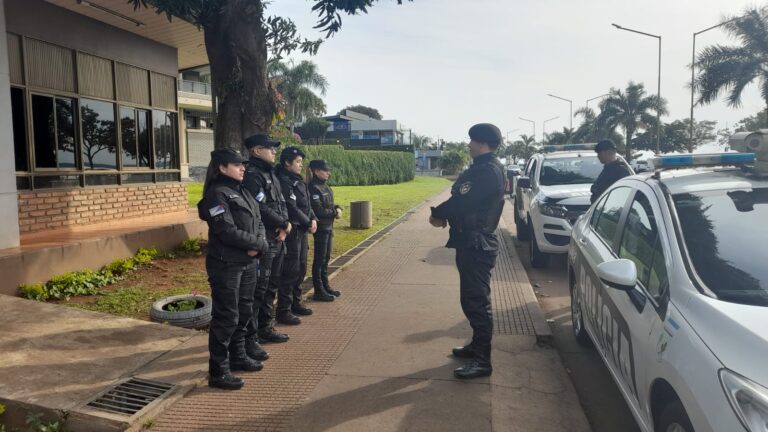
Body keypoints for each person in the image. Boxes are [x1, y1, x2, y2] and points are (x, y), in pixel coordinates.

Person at [429, 123, 505, 380]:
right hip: (470, 242)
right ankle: (476, 346)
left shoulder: (487, 171)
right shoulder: (484, 168)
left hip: (477, 244)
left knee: (476, 301)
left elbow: (463, 201)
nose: (469, 145)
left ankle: (483, 361)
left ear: (482, 143)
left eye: (472, 141)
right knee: (471, 298)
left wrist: (438, 213)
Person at [197, 148, 269, 390]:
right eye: (237, 164)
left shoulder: (243, 191)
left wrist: (258, 244)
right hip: (226, 264)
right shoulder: (216, 195)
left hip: (248, 262)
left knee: (245, 310)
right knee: (226, 317)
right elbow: (225, 230)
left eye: (243, 164)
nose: (242, 168)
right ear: (222, 167)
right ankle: (219, 371)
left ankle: (238, 356)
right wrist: (258, 244)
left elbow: (258, 220)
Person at [242, 133, 292, 345]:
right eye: (269, 147)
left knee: (272, 286)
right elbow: (259, 208)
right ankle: (252, 336)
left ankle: (265, 327)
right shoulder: (253, 175)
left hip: (279, 237)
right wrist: (282, 224)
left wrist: (285, 226)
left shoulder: (270, 174)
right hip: (266, 239)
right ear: (255, 150)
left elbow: (280, 204)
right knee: (259, 290)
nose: (274, 151)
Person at [275, 147, 318, 324]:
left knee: (301, 268)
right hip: (293, 231)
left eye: (301, 162)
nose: (301, 165)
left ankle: (295, 303)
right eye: (298, 162)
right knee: (290, 271)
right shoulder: (284, 181)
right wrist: (308, 222)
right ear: (287, 162)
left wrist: (313, 218)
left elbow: (306, 205)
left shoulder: (298, 181)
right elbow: (292, 208)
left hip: (303, 230)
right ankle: (284, 310)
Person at [308, 160, 342, 302]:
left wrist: (338, 207)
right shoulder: (313, 188)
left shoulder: (325, 187)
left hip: (329, 228)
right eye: (325, 170)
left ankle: (325, 286)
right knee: (319, 260)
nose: (328, 172)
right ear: (316, 171)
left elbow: (330, 204)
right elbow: (319, 211)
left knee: (326, 259)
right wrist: (335, 212)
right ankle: (318, 290)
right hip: (321, 228)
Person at [590, 139, 633, 203]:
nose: (598, 156)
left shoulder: (621, 171)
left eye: (600, 153)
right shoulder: (608, 169)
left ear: (607, 152)